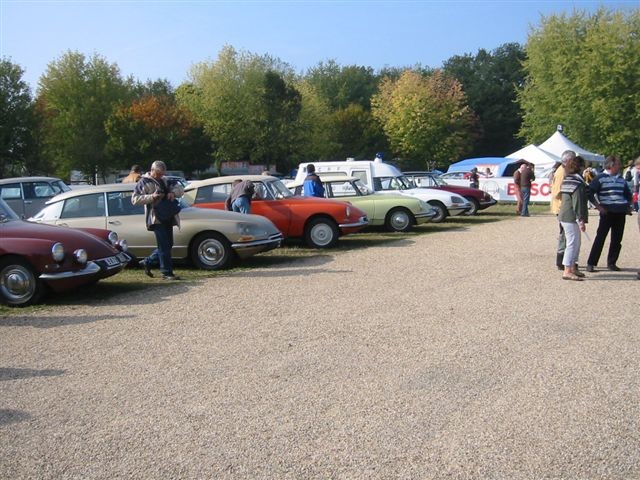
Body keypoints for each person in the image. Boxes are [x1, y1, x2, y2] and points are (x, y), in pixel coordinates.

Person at [131, 160, 184, 281]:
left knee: (168, 244)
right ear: (152, 170)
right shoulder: (143, 182)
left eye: (162, 173)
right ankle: (167, 272)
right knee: (164, 245)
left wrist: (172, 193)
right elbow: (134, 200)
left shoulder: (166, 180)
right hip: (155, 218)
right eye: (158, 173)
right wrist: (151, 197)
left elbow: (181, 189)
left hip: (167, 216)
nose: (161, 176)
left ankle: (147, 262)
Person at [585, 155, 633, 272]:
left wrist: (628, 206)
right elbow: (589, 192)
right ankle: (591, 263)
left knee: (617, 239)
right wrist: (598, 206)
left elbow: (628, 194)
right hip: (607, 212)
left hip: (620, 212)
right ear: (611, 165)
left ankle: (612, 262)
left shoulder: (621, 179)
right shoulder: (600, 178)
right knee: (600, 238)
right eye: (618, 164)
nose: (620, 166)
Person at [558, 155, 588, 281]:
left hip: (565, 215)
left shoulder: (567, 179)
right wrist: (581, 219)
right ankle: (568, 270)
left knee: (575, 242)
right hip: (571, 216)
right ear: (580, 167)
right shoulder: (577, 182)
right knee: (572, 243)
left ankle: (573, 267)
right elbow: (578, 202)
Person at [551, 151, 573, 270]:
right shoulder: (561, 172)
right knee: (565, 235)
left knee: (565, 234)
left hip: (563, 207)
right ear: (569, 161)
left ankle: (564, 259)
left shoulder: (563, 170)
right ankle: (561, 260)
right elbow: (557, 192)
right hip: (562, 207)